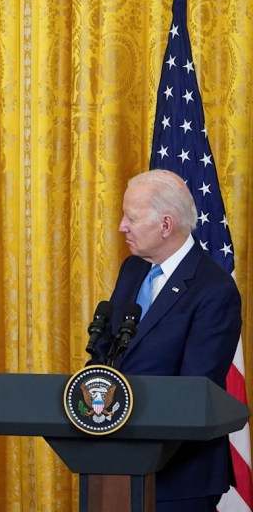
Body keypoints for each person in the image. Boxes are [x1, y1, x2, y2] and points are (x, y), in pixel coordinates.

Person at [103, 169, 242, 512]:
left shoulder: (215, 289)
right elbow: (108, 349)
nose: (122, 226)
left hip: (180, 473)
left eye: (131, 218)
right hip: (116, 461)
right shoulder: (133, 269)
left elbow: (194, 386)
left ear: (165, 225)